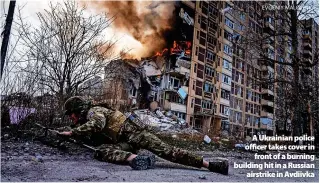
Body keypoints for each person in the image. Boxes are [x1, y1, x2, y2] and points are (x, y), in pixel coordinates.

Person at [58, 96, 229, 175]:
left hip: (138, 135)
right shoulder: (86, 117)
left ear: (78, 110)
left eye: (71, 114)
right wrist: (71, 131)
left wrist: (72, 132)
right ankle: (135, 159)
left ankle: (211, 165)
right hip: (128, 143)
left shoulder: (94, 111)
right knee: (102, 150)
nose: (71, 118)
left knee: (169, 152)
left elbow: (98, 124)